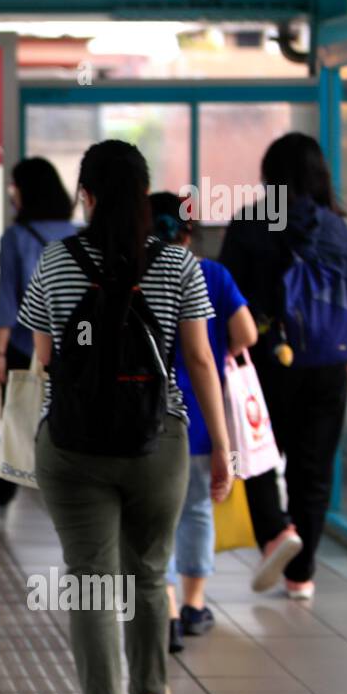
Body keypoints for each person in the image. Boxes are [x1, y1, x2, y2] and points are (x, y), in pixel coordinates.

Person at [18, 140, 231, 694]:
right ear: (143, 196)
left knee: (88, 583)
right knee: (147, 572)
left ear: (86, 195)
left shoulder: (55, 262)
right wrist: (220, 446)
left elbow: (44, 359)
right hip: (157, 441)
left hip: (73, 443)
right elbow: (199, 361)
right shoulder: (178, 265)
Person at [219, 133, 347, 600]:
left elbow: (227, 295)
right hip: (327, 360)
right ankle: (301, 576)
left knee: (255, 453)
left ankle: (277, 534)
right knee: (313, 468)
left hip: (264, 358)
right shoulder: (337, 229)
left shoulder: (250, 224)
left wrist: (226, 350)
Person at [150, 193, 257, 652]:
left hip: (150, 415)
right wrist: (220, 356)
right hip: (201, 412)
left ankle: (168, 611)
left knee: (157, 516)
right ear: (190, 233)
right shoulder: (212, 274)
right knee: (197, 508)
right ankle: (195, 607)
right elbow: (247, 334)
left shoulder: (137, 276)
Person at [0, 157, 77, 506]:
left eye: (15, 186)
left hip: (24, 348)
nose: (12, 194)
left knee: (16, 420)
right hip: (73, 348)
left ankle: (3, 493)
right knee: (68, 417)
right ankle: (65, 487)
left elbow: (7, 298)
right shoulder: (77, 236)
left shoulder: (16, 238)